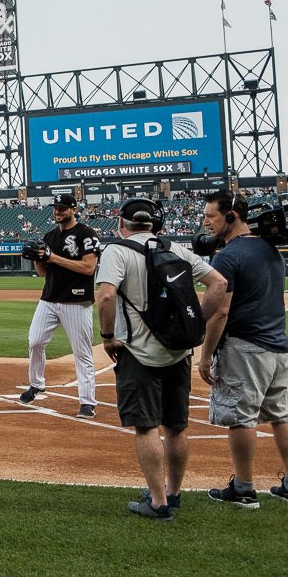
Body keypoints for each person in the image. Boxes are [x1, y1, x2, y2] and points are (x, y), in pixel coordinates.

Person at [95, 198, 226, 521]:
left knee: (146, 427)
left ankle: (157, 502)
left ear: (122, 224)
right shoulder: (177, 249)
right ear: (157, 224)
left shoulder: (117, 250)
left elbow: (107, 295)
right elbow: (219, 283)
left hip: (138, 352)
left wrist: (108, 336)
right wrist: (195, 325)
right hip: (177, 351)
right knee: (177, 426)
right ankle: (174, 493)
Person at [196, 190, 288, 508]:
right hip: (278, 345)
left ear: (232, 217)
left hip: (245, 346)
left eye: (211, 216)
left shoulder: (228, 256)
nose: (206, 222)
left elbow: (221, 312)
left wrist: (205, 355)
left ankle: (244, 489)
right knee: (281, 415)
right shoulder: (270, 250)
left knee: (241, 417)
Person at [20, 193, 101, 418]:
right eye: (55, 208)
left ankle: (87, 402)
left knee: (82, 353)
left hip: (76, 300)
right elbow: (44, 272)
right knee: (35, 342)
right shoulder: (49, 236)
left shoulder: (86, 234)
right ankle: (36, 384)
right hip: (49, 298)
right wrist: (37, 259)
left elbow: (88, 268)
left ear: (73, 209)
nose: (57, 211)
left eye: (62, 208)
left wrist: (52, 257)